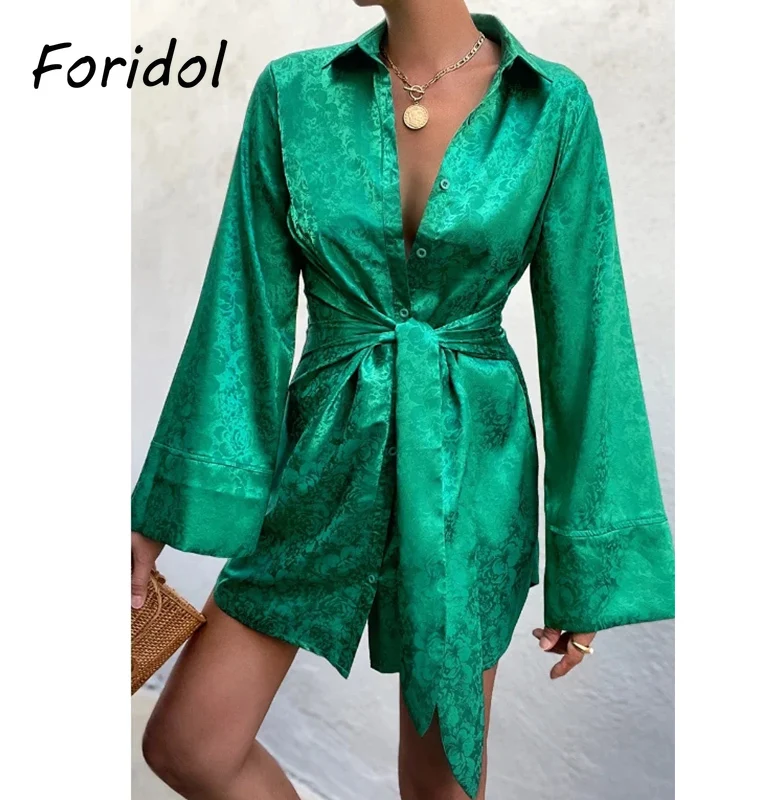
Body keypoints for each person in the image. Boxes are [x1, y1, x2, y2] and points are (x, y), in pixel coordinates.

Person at [131, 1, 675, 798]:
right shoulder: (294, 94)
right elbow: (239, 318)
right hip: (321, 458)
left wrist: (589, 568)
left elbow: (589, 336)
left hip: (472, 463)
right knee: (190, 744)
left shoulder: (552, 106)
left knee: (439, 784)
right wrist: (154, 520)